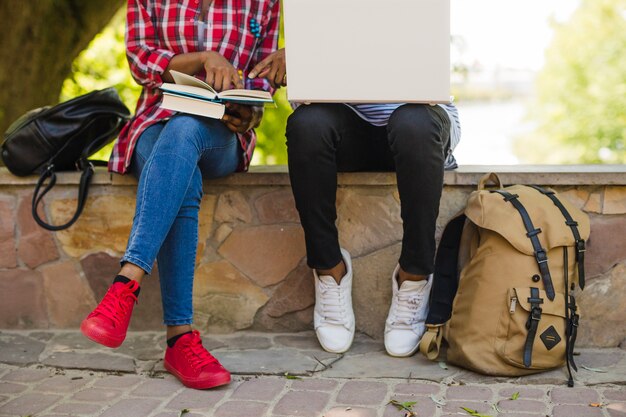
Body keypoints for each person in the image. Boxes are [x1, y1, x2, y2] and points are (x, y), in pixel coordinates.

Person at [80, 0, 279, 390]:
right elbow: (140, 60)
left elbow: (264, 77)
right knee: (181, 164)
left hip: (221, 134)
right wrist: (205, 58)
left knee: (187, 131)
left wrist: (248, 108)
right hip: (154, 123)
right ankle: (180, 341)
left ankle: (126, 284)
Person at [250, 49, 461, 356]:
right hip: (348, 132)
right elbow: (309, 104)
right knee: (307, 124)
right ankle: (329, 270)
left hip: (415, 127)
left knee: (414, 123)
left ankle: (414, 277)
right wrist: (303, 58)